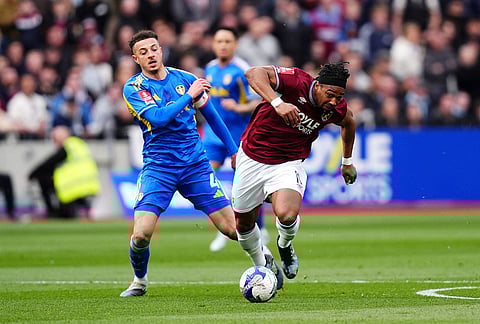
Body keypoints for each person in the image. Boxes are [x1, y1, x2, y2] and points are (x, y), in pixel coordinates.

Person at [119, 30, 274, 298]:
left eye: (154, 48)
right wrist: (188, 96)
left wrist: (233, 150)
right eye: (143, 52)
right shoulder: (134, 88)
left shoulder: (185, 78)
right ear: (136, 58)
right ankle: (139, 281)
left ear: (161, 49)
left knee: (232, 229)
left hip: (195, 164)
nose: (151, 55)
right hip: (159, 167)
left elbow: (213, 117)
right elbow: (158, 118)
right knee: (142, 234)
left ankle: (264, 265)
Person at [232, 62, 357, 282]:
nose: (334, 102)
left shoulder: (335, 109)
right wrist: (278, 102)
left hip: (288, 163)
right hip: (251, 158)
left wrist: (346, 161)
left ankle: (284, 245)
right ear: (316, 86)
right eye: (330, 94)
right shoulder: (295, 81)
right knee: (243, 227)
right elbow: (253, 73)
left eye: (339, 96)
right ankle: (263, 265)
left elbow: (349, 121)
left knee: (287, 214)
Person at [204, 26, 269, 252]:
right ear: (213, 44)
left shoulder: (242, 70)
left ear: (235, 45)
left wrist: (239, 108)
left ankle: (259, 227)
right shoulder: (210, 69)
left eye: (227, 41)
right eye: (219, 41)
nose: (223, 45)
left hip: (238, 136)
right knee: (205, 177)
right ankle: (226, 227)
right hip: (213, 135)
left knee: (246, 184)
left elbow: (260, 100)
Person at [28, 126, 100, 218]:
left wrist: (31, 175)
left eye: (55, 139)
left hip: (73, 189)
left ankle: (52, 212)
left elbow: (48, 163)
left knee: (42, 177)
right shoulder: (79, 145)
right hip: (90, 186)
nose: (54, 143)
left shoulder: (68, 147)